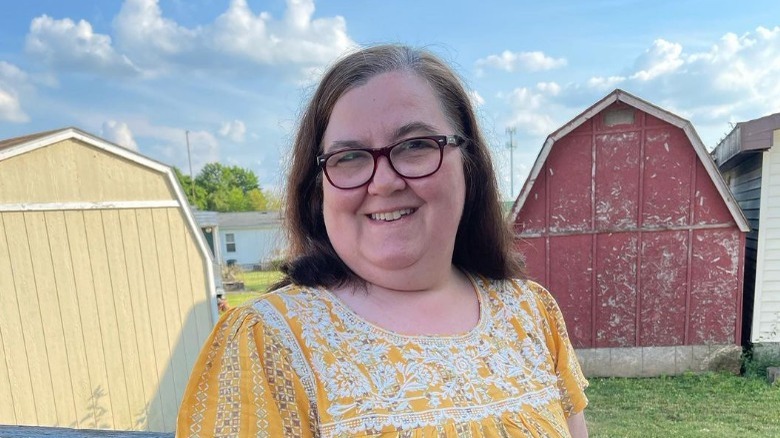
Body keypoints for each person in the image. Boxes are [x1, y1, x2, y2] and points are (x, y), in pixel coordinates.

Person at [177, 44, 589, 437]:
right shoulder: (266, 341)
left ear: (469, 164)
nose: (385, 182)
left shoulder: (531, 314)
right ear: (318, 187)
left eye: (414, 146)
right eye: (349, 157)